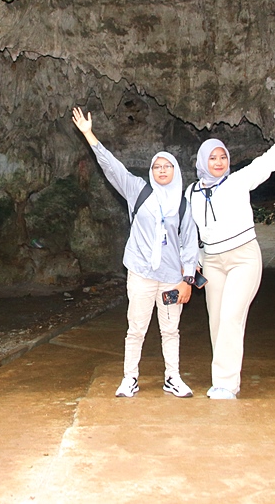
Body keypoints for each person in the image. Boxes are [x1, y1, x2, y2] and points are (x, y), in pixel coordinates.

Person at [72, 106, 200, 398]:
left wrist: (187, 279)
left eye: (167, 166)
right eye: (157, 167)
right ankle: (130, 377)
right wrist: (89, 134)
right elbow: (112, 166)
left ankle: (173, 378)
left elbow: (190, 243)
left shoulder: (183, 204)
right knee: (136, 328)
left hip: (170, 277)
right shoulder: (138, 190)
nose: (162, 170)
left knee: (170, 330)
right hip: (141, 272)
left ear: (175, 171)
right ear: (151, 171)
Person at [188, 101, 275, 400]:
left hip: (244, 258)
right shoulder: (191, 192)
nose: (219, 162)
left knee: (231, 316)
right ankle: (223, 379)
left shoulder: (238, 181)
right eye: (213, 158)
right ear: (203, 161)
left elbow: (268, 162)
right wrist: (192, 260)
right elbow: (186, 229)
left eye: (223, 157)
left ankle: (226, 384)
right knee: (216, 320)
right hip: (212, 262)